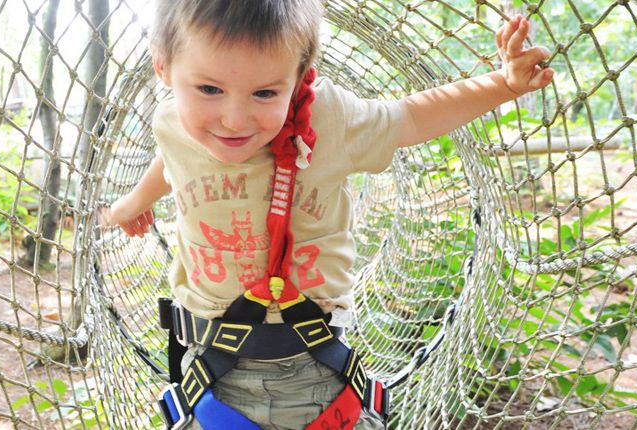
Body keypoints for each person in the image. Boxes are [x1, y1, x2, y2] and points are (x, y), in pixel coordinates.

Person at [102, 1, 553, 429]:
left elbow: (410, 118)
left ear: (298, 79)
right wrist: (133, 203)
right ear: (163, 66)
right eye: (209, 89)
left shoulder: (329, 117)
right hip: (210, 369)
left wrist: (504, 84)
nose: (234, 119)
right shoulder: (172, 121)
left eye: (264, 92)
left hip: (315, 369)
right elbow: (172, 159)